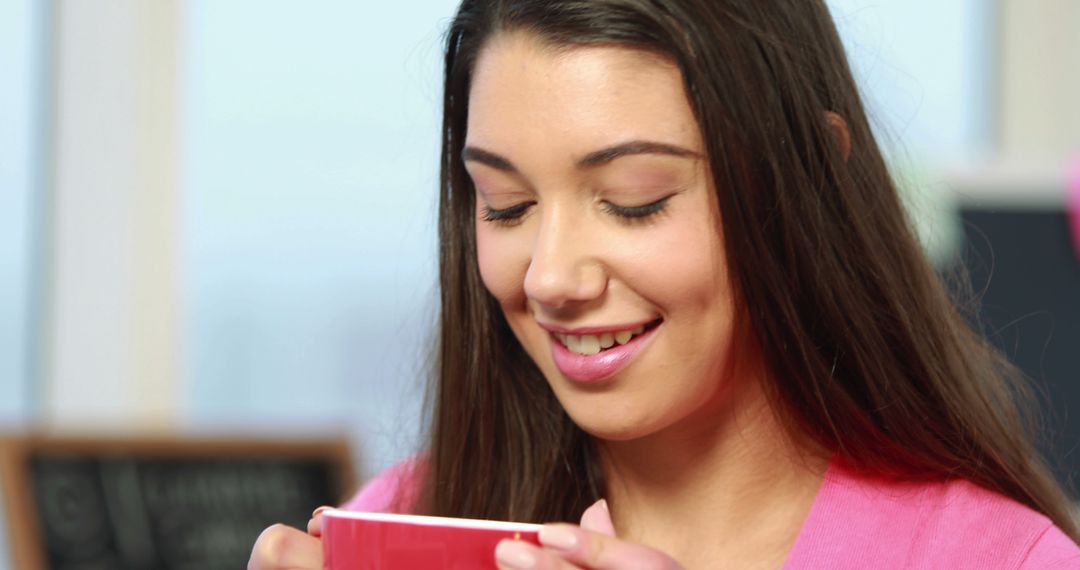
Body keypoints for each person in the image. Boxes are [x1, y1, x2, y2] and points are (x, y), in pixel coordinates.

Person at [249, 0, 1080, 568]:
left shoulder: (1000, 558)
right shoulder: (408, 521)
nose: (552, 278)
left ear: (804, 182)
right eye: (506, 207)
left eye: (634, 203)